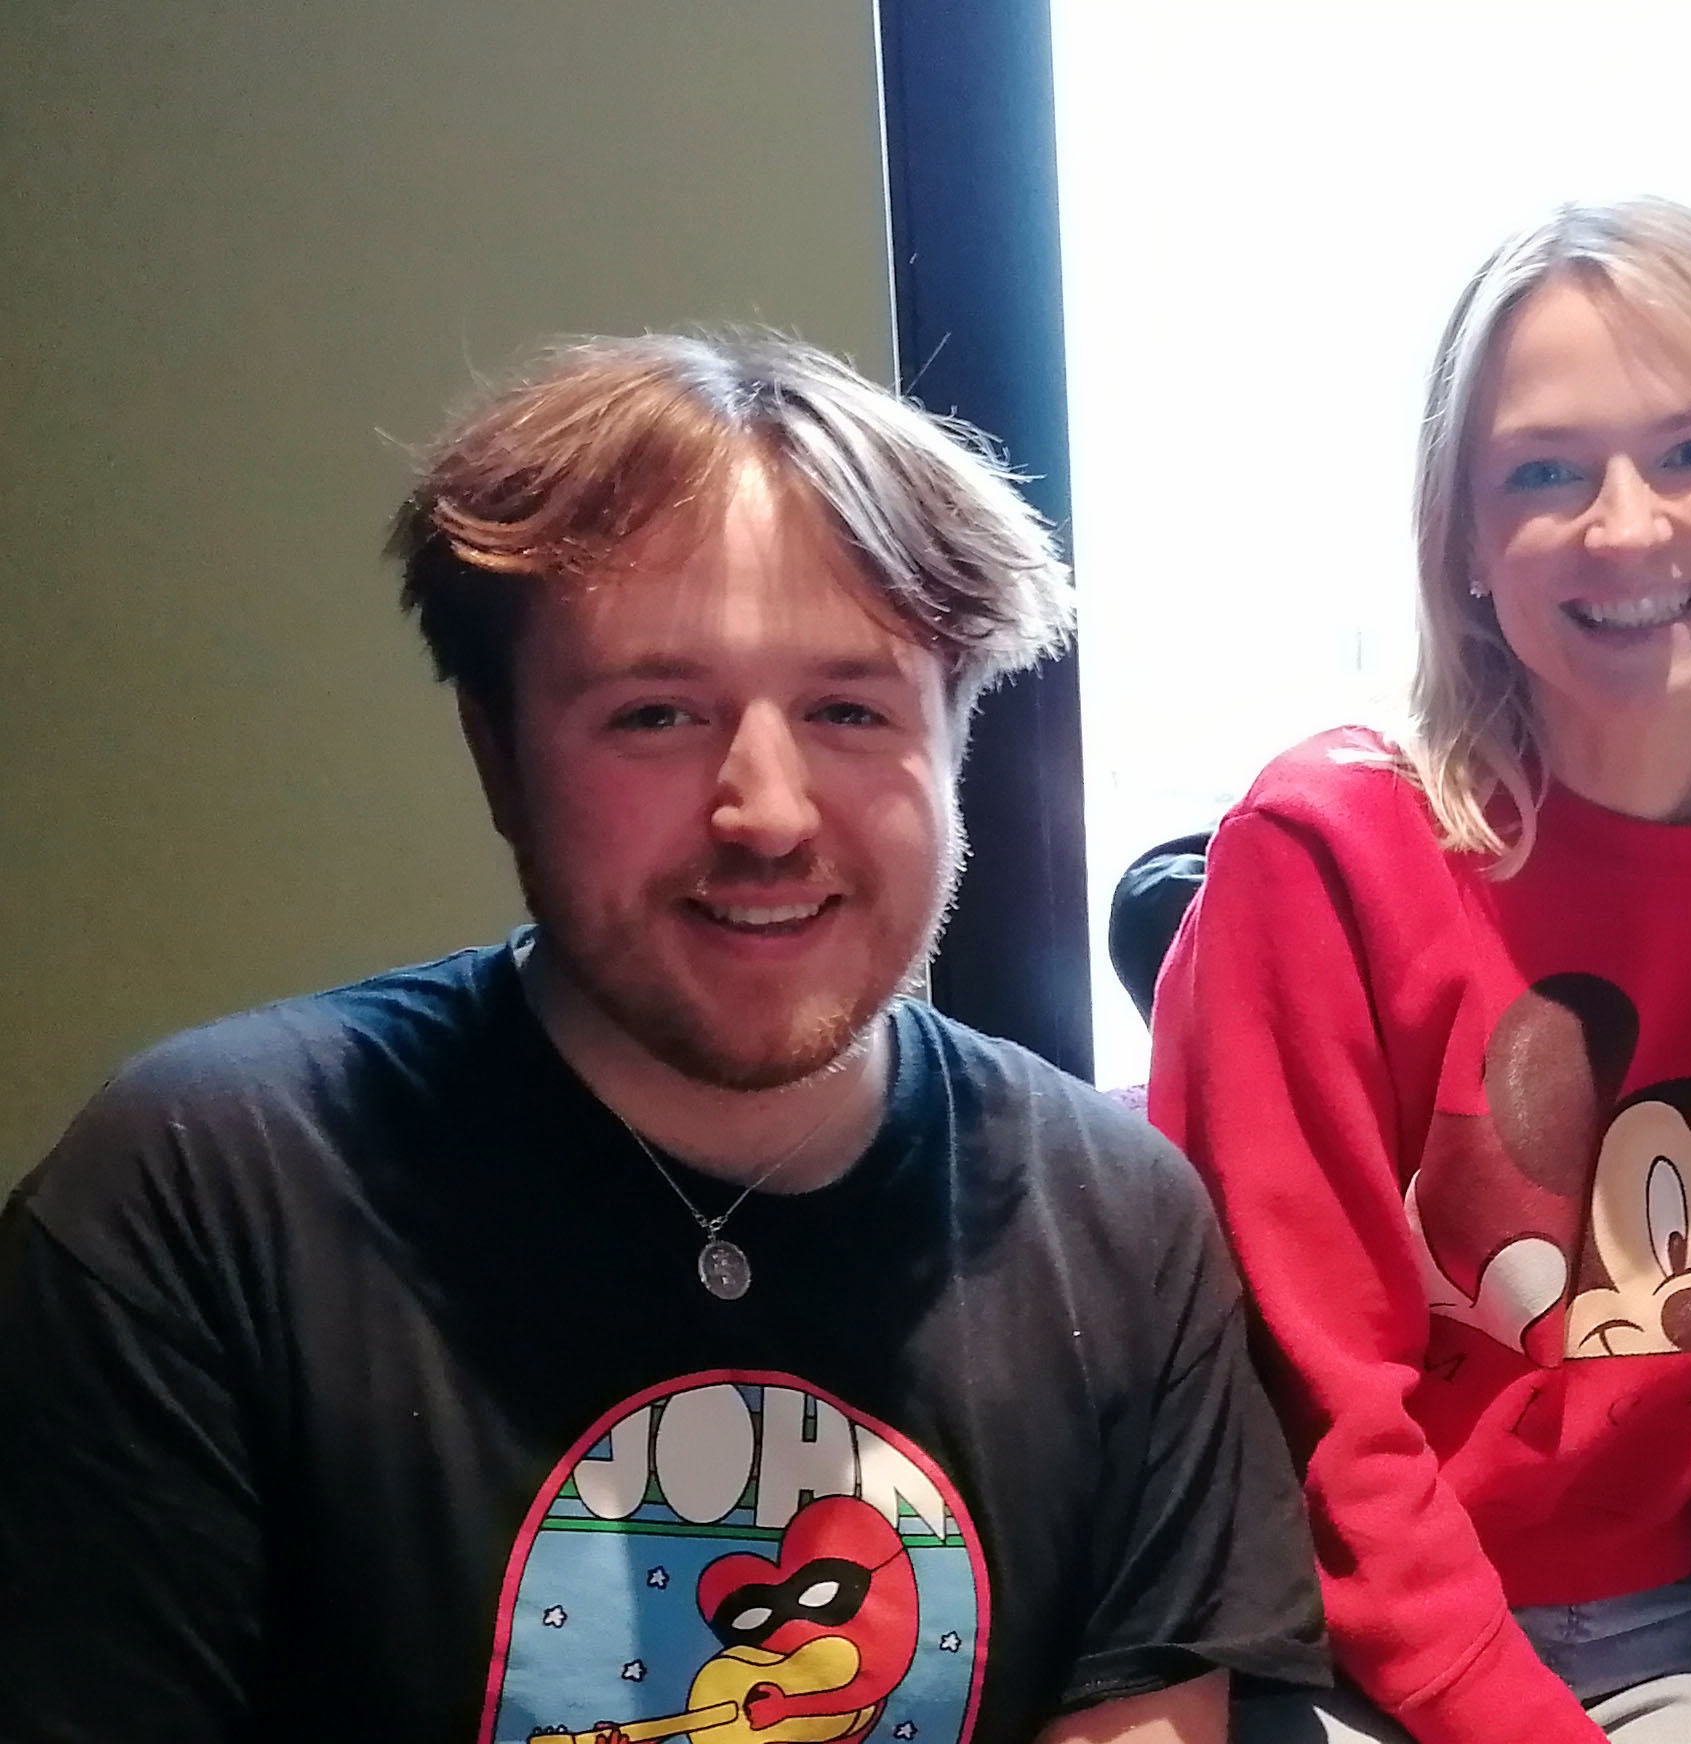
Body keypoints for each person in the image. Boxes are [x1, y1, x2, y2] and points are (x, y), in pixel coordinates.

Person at [0, 332, 1327, 1743]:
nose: (769, 812)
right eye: (655, 714)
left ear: (954, 745)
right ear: (499, 756)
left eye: (850, 709)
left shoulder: (1118, 1224)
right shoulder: (202, 1198)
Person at [1146, 198, 1691, 1744]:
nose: (1627, 528)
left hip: (1646, 1620)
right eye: (1545, 473)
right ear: (1461, 544)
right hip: (1319, 1625)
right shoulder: (1323, 851)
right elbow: (1304, 1388)